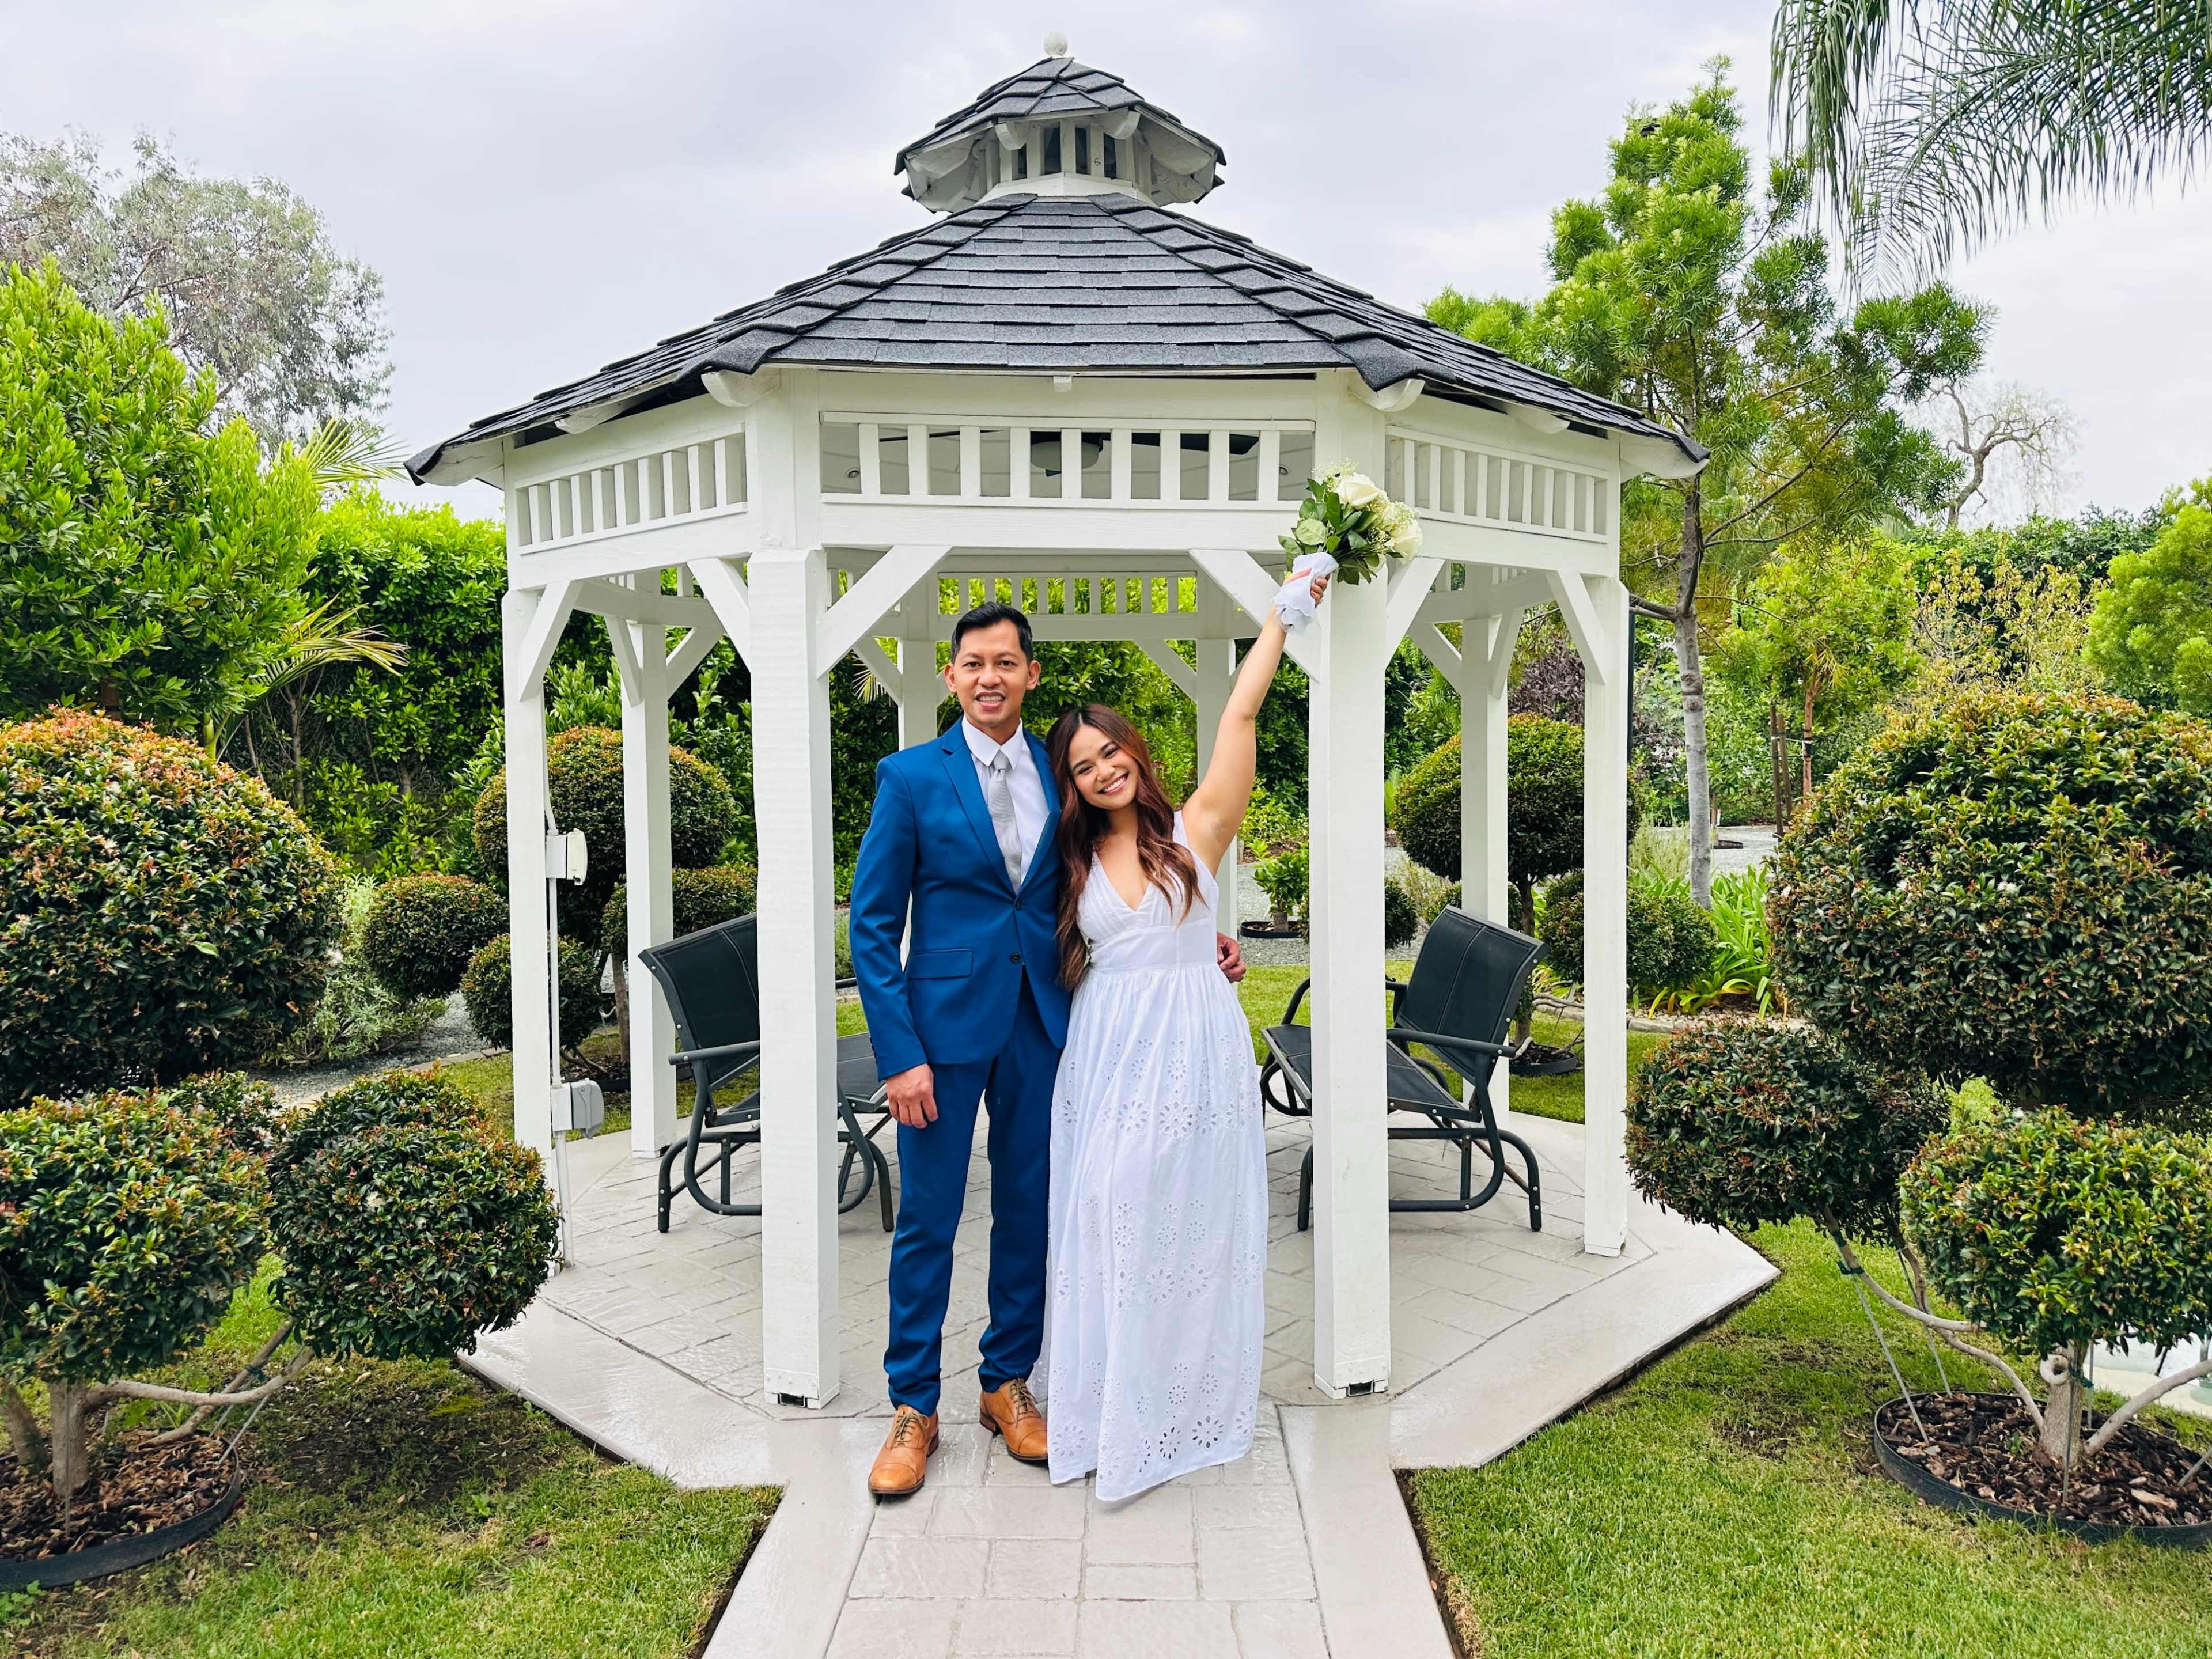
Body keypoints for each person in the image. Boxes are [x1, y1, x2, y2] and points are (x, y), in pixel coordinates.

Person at [847, 602, 1247, 1498]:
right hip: (940, 1038)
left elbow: (1123, 876)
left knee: (1031, 1210)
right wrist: (899, 1052)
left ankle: (1006, 1383)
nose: (990, 677)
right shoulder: (909, 778)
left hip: (1049, 1025)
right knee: (931, 1219)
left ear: (1030, 675)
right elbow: (873, 928)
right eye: (973, 663)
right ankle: (913, 1407)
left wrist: (1204, 937)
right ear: (951, 677)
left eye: (1007, 663)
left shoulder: (1061, 773)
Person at [1040, 569, 1327, 1499]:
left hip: (1195, 1047)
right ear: (1073, 783)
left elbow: (1240, 722)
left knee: (1184, 1223)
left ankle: (1169, 1406)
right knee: (1109, 1213)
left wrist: (1281, 618)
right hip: (1110, 1050)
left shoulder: (1194, 833)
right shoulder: (1069, 862)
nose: (1103, 770)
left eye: (1110, 752)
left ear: (1134, 751)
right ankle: (1105, 1405)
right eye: (1084, 765)